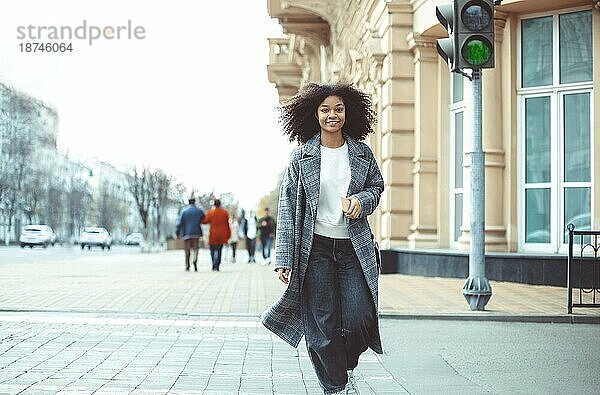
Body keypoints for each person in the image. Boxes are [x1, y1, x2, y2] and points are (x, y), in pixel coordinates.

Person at [261, 83, 384, 395]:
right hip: (314, 249)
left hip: (353, 248)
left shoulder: (361, 152)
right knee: (322, 325)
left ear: (348, 112)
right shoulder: (302, 156)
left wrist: (362, 201)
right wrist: (284, 259)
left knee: (360, 317)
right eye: (326, 109)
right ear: (314, 115)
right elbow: (287, 208)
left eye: (339, 109)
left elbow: (376, 187)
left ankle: (347, 365)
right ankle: (336, 387)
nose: (333, 115)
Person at [175, 196, 205, 272]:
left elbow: (179, 223)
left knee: (187, 250)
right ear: (194, 202)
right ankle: (195, 261)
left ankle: (187, 266)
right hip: (196, 232)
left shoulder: (184, 211)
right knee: (195, 249)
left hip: (186, 233)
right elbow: (204, 218)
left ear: (188, 202)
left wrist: (177, 233)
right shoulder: (199, 211)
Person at [201, 199, 231, 271]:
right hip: (222, 234)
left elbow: (204, 221)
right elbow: (227, 224)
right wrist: (228, 234)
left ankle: (213, 263)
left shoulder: (211, 212)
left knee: (212, 249)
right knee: (219, 249)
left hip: (213, 234)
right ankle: (218, 264)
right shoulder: (224, 213)